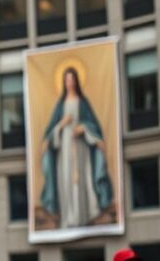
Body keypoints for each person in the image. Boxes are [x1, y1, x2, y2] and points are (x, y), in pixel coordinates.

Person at [39, 67, 114, 228]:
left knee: (81, 179)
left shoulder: (82, 102)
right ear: (63, 82)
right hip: (64, 147)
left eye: (72, 79)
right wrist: (62, 124)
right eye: (67, 79)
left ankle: (83, 215)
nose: (70, 82)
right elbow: (52, 130)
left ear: (76, 81)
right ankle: (68, 217)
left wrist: (84, 129)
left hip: (81, 146)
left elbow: (92, 124)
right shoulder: (60, 105)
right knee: (66, 179)